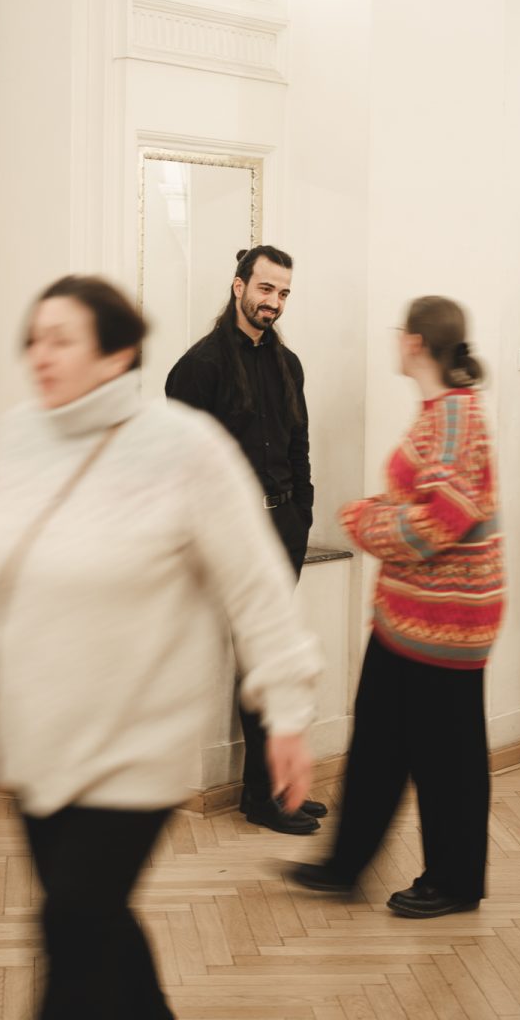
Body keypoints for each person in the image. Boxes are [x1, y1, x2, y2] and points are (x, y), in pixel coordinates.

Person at [0, 276, 319, 1019]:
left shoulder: (184, 449)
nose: (40, 355)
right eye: (35, 339)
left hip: (134, 744)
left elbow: (258, 589)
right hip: (38, 740)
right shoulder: (20, 437)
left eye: (62, 340)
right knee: (94, 925)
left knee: (72, 922)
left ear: (115, 356)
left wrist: (289, 713)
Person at [289, 296, 504, 919]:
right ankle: (345, 864)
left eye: (398, 334)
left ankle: (454, 882)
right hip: (409, 614)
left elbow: (439, 520)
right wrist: (384, 512)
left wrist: (366, 521)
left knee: (446, 758)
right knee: (379, 741)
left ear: (414, 344)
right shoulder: (440, 410)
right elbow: (421, 504)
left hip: (448, 619)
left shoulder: (458, 416)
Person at [165, 245, 324, 834]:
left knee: (275, 658)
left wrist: (303, 512)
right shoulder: (197, 367)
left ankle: (278, 789)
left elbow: (299, 444)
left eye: (283, 292)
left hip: (283, 524)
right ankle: (262, 798)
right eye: (265, 289)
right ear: (239, 287)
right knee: (262, 661)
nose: (273, 302)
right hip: (231, 534)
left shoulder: (289, 364)